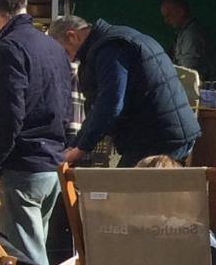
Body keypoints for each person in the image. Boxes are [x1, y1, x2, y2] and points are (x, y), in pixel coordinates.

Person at [50, 15, 200, 167]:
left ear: (72, 36)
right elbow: (102, 105)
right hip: (168, 130)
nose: (67, 60)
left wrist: (81, 149)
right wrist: (77, 144)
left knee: (125, 187)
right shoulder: (116, 39)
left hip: (158, 136)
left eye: (64, 52)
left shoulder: (110, 48)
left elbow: (110, 103)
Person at [0, 0, 70, 265]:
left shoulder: (8, 48)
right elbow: (66, 103)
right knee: (32, 252)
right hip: (50, 162)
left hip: (23, 165)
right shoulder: (52, 46)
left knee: (26, 264)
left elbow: (9, 113)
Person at [159, 0, 210, 78]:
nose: (166, 21)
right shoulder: (182, 32)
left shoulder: (192, 34)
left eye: (168, 16)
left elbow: (187, 69)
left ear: (180, 12)